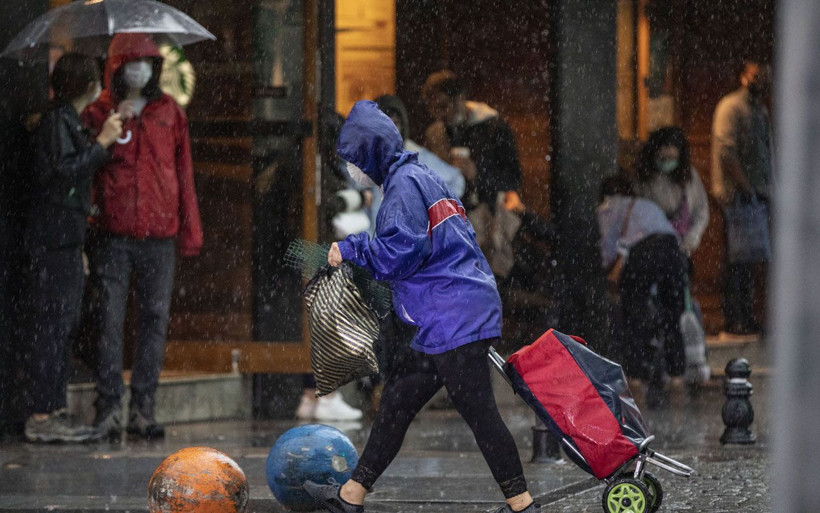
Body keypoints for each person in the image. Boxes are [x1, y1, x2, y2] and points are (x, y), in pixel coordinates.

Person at [303, 101, 538, 513]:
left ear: (370, 155)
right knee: (397, 401)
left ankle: (523, 506)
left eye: (355, 160)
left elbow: (399, 253)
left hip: (453, 317)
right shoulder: (419, 176)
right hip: (452, 312)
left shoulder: (402, 188)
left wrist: (351, 248)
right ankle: (350, 497)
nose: (353, 169)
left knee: (480, 414)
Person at [82, 33, 203, 439]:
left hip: (159, 235)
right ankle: (109, 407)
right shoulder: (99, 113)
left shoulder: (169, 112)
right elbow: (89, 173)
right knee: (109, 321)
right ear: (115, 69)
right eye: (131, 63)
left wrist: (190, 231)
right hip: (112, 234)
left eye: (146, 63)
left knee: (154, 320)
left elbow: (182, 175)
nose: (140, 70)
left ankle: (143, 409)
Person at [23, 53, 123, 443]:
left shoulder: (67, 121)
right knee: (52, 326)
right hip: (54, 241)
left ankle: (55, 408)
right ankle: (42, 413)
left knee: (62, 325)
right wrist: (101, 143)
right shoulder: (57, 122)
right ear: (86, 83)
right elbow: (65, 173)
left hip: (64, 239)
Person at [421, 71, 525, 277]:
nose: (441, 114)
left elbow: (513, 178)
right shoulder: (436, 133)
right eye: (434, 109)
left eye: (443, 106)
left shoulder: (492, 127)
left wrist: (478, 174)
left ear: (460, 99)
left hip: (487, 222)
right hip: (448, 224)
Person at [597, 174, 686, 409]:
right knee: (672, 315)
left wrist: (607, 269)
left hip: (643, 254)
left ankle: (636, 376)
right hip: (672, 249)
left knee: (633, 314)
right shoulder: (647, 205)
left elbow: (608, 246)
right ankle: (677, 375)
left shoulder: (608, 207)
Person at [711, 60, 774, 340]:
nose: (762, 81)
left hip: (758, 195)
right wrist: (744, 187)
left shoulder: (759, 110)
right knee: (737, 261)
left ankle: (746, 317)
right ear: (744, 76)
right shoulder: (731, 107)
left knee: (750, 262)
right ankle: (734, 318)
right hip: (739, 196)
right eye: (757, 75)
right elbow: (726, 151)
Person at [635, 126, 709, 260]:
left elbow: (702, 211)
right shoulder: (643, 179)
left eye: (671, 158)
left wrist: (691, 239)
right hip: (649, 249)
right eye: (662, 158)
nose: (666, 163)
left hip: (681, 249)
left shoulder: (689, 177)